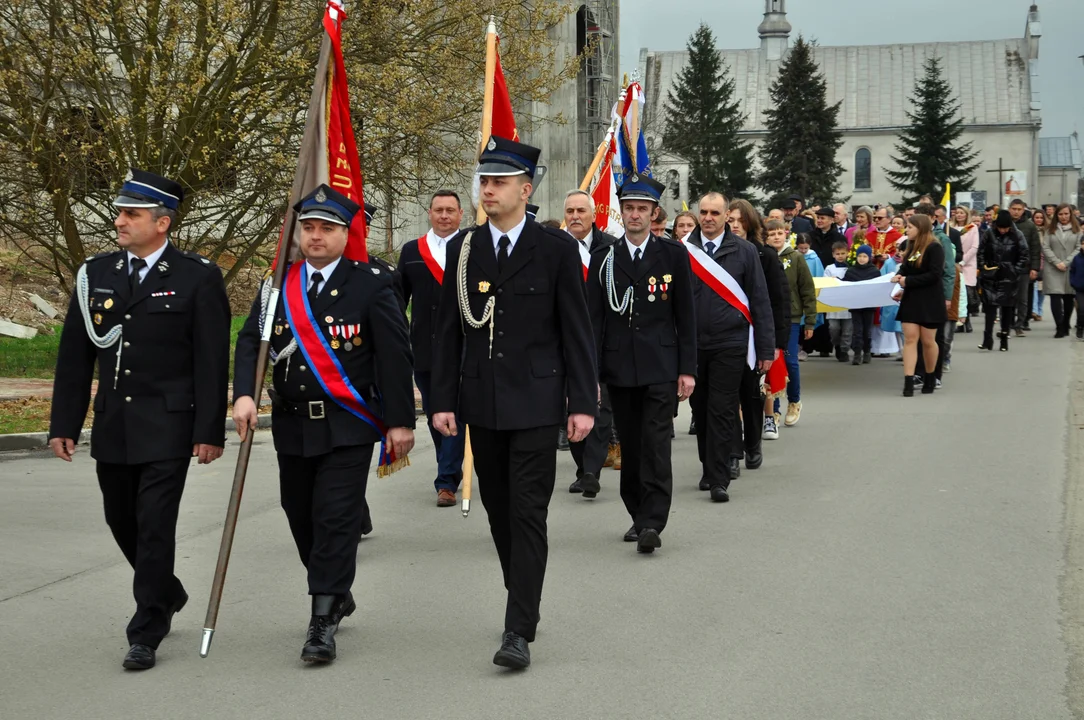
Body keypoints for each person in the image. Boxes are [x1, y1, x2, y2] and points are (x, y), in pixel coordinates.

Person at [48, 169, 230, 671]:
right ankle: (167, 591)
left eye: (132, 214)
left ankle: (147, 627)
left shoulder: (197, 276)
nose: (119, 220)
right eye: (120, 212)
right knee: (120, 518)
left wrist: (208, 431)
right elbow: (75, 355)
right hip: (113, 424)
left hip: (170, 425)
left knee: (154, 526)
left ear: (163, 222)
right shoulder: (97, 273)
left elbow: (211, 362)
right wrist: (64, 422)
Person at [430, 136, 597, 670]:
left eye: (498, 181)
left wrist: (583, 402)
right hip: (482, 401)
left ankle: (517, 625)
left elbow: (577, 331)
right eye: (484, 180)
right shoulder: (465, 248)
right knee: (499, 513)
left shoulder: (556, 249)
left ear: (526, 190)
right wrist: (442, 400)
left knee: (528, 513)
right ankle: (523, 591)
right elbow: (449, 333)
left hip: (538, 401)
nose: (488, 189)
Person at [233, 185, 415, 664]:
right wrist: (244, 395)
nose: (315, 236)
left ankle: (321, 619)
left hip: (346, 424)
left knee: (336, 518)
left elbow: (395, 357)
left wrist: (399, 422)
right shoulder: (278, 285)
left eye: (326, 228)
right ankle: (335, 590)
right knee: (299, 514)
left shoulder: (371, 282)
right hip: (293, 424)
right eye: (308, 228)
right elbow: (251, 341)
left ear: (344, 233)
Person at [585, 176, 696, 552]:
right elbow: (594, 320)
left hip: (661, 365)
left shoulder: (673, 255)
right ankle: (636, 513)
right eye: (629, 208)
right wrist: (593, 373)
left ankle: (653, 522)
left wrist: (687, 369)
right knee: (630, 447)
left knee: (655, 444)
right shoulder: (604, 258)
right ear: (622, 211)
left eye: (642, 209)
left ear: (653, 213)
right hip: (619, 368)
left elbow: (686, 316)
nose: (635, 215)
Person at [687, 192, 774, 502]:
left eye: (715, 212)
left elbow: (760, 300)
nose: (708, 218)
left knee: (722, 408)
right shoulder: (683, 250)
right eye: (704, 212)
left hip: (730, 342)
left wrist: (765, 349)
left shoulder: (746, 251)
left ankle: (720, 476)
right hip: (693, 345)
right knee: (700, 408)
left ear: (726, 216)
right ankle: (707, 467)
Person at [398, 190, 466, 507]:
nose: (444, 216)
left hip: (464, 347)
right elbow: (398, 301)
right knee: (433, 412)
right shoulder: (412, 251)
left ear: (460, 214)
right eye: (438, 210)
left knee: (456, 410)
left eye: (450, 210)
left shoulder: (471, 247)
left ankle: (447, 480)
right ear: (429, 213)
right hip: (424, 347)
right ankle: (449, 467)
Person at [563, 189, 619, 496]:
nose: (575, 217)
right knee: (571, 405)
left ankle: (591, 470)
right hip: (563, 340)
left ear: (593, 214)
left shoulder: (610, 248)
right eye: (570, 211)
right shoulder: (554, 247)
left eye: (580, 211)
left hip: (601, 338)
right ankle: (581, 464)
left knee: (600, 405)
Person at [727, 199, 789, 455]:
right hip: (726, 335)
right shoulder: (714, 255)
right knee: (727, 396)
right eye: (731, 220)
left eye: (741, 221)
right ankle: (731, 451)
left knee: (751, 394)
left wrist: (775, 344)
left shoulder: (765, 255)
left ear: (750, 223)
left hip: (754, 336)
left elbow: (778, 301)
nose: (735, 226)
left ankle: (753, 443)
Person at [765, 219, 816, 427]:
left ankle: (794, 401)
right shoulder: (763, 256)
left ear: (786, 234)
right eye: (772, 234)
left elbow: (807, 290)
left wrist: (810, 322)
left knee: (790, 362)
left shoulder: (795, 258)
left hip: (792, 318)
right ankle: (774, 410)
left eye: (780, 233)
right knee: (773, 364)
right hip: (769, 318)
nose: (777, 237)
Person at [890, 213, 946, 396]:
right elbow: (907, 268)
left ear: (920, 228)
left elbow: (934, 275)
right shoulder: (912, 246)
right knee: (910, 339)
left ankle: (930, 376)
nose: (906, 230)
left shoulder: (935, 247)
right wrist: (899, 278)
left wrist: (908, 282)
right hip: (912, 299)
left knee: (928, 341)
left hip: (930, 299)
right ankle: (908, 379)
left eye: (909, 227)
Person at [976, 210, 1029, 352]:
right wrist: (984, 267)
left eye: (1005, 228)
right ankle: (987, 338)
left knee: (1007, 309)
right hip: (991, 276)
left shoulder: (1017, 235)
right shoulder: (989, 233)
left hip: (1008, 277)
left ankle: (1004, 338)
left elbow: (1024, 255)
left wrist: (1015, 270)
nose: (1003, 230)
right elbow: (980, 252)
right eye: (1000, 228)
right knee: (990, 309)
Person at [1041, 204, 1082, 338]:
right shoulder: (1050, 230)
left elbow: (1078, 248)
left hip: (1070, 267)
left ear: (1070, 214)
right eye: (1060, 214)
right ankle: (1059, 326)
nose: (1063, 217)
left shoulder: (1077, 231)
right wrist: (1056, 262)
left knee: (1068, 297)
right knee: (1055, 295)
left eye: (1066, 214)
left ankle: (1065, 324)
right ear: (1056, 215)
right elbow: (1045, 247)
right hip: (1053, 267)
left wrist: (1066, 262)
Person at [1009, 198, 1041, 336]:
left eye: (1019, 209)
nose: (1016, 212)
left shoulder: (1030, 226)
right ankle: (1007, 322)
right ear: (1010, 209)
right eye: (1014, 209)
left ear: (1023, 210)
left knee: (1022, 297)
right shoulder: (1003, 223)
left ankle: (1019, 324)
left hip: (1024, 267)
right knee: (1008, 296)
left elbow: (1035, 248)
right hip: (1007, 266)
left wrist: (1035, 268)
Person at [844, 245, 881, 364]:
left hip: (869, 306)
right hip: (855, 305)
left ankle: (867, 351)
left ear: (869, 257)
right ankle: (857, 353)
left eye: (864, 256)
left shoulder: (874, 271)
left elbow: (879, 286)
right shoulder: (851, 271)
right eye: (859, 256)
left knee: (867, 330)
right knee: (857, 330)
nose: (862, 259)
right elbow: (844, 284)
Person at [795, 233, 824, 360]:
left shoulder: (814, 259)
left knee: (807, 321)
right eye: (800, 248)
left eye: (805, 248)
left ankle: (805, 348)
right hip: (796, 293)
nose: (803, 251)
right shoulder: (794, 256)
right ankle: (797, 347)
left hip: (808, 292)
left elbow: (819, 276)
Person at [823, 241, 853, 362]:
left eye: (843, 253)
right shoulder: (829, 268)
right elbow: (826, 282)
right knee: (833, 328)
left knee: (847, 330)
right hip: (834, 303)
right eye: (837, 253)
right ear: (833, 255)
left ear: (847, 254)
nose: (840, 256)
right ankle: (837, 344)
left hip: (848, 302)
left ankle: (844, 350)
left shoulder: (851, 268)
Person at [953, 206, 980, 331]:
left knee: (967, 293)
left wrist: (962, 261)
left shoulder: (972, 228)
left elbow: (974, 247)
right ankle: (959, 320)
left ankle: (967, 319)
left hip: (967, 264)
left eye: (961, 213)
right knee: (957, 293)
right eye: (957, 213)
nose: (959, 215)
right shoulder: (951, 227)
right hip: (954, 263)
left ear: (966, 214)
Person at [1070, 235, 1084, 339]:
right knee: (1081, 309)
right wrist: (1073, 283)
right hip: (1080, 288)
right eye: (1083, 244)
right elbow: (1072, 271)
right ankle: (1080, 327)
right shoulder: (1077, 258)